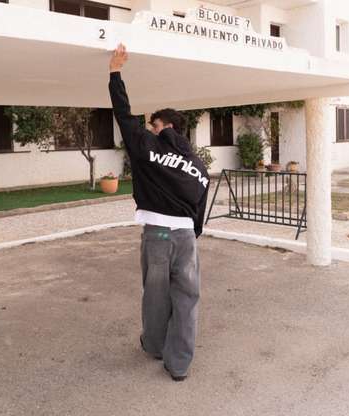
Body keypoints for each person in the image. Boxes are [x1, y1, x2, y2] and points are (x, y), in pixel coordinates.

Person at [109, 43, 210, 381]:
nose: (149, 129)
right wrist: (191, 235)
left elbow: (124, 116)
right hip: (186, 237)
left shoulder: (148, 145)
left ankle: (154, 346)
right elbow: (200, 207)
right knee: (187, 299)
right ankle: (178, 365)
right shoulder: (198, 165)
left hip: (158, 235)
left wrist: (115, 73)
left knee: (156, 295)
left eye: (152, 124)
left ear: (163, 126)